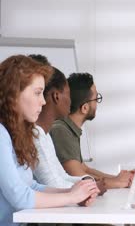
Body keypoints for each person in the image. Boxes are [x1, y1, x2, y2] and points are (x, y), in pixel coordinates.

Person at [0, 55, 99, 226]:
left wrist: (73, 193)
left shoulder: (16, 133)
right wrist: (71, 196)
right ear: (14, 93)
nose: (43, 101)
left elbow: (31, 186)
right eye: (38, 93)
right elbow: (19, 196)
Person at [50, 72, 135, 189]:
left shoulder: (69, 128)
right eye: (96, 98)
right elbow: (79, 178)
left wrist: (119, 178)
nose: (97, 103)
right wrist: (118, 183)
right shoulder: (61, 131)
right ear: (84, 108)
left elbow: (84, 169)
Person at [32, 64, 106, 196]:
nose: (71, 101)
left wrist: (89, 184)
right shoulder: (52, 131)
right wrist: (89, 187)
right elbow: (53, 183)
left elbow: (62, 176)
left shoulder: (45, 135)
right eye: (68, 94)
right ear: (56, 96)